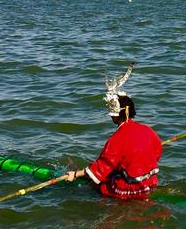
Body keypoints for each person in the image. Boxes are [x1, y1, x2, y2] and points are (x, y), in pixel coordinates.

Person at [67, 65, 163, 199]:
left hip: (130, 189)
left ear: (116, 115)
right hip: (150, 183)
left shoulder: (117, 138)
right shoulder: (148, 130)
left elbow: (101, 166)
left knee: (93, 185)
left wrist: (76, 174)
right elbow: (157, 150)